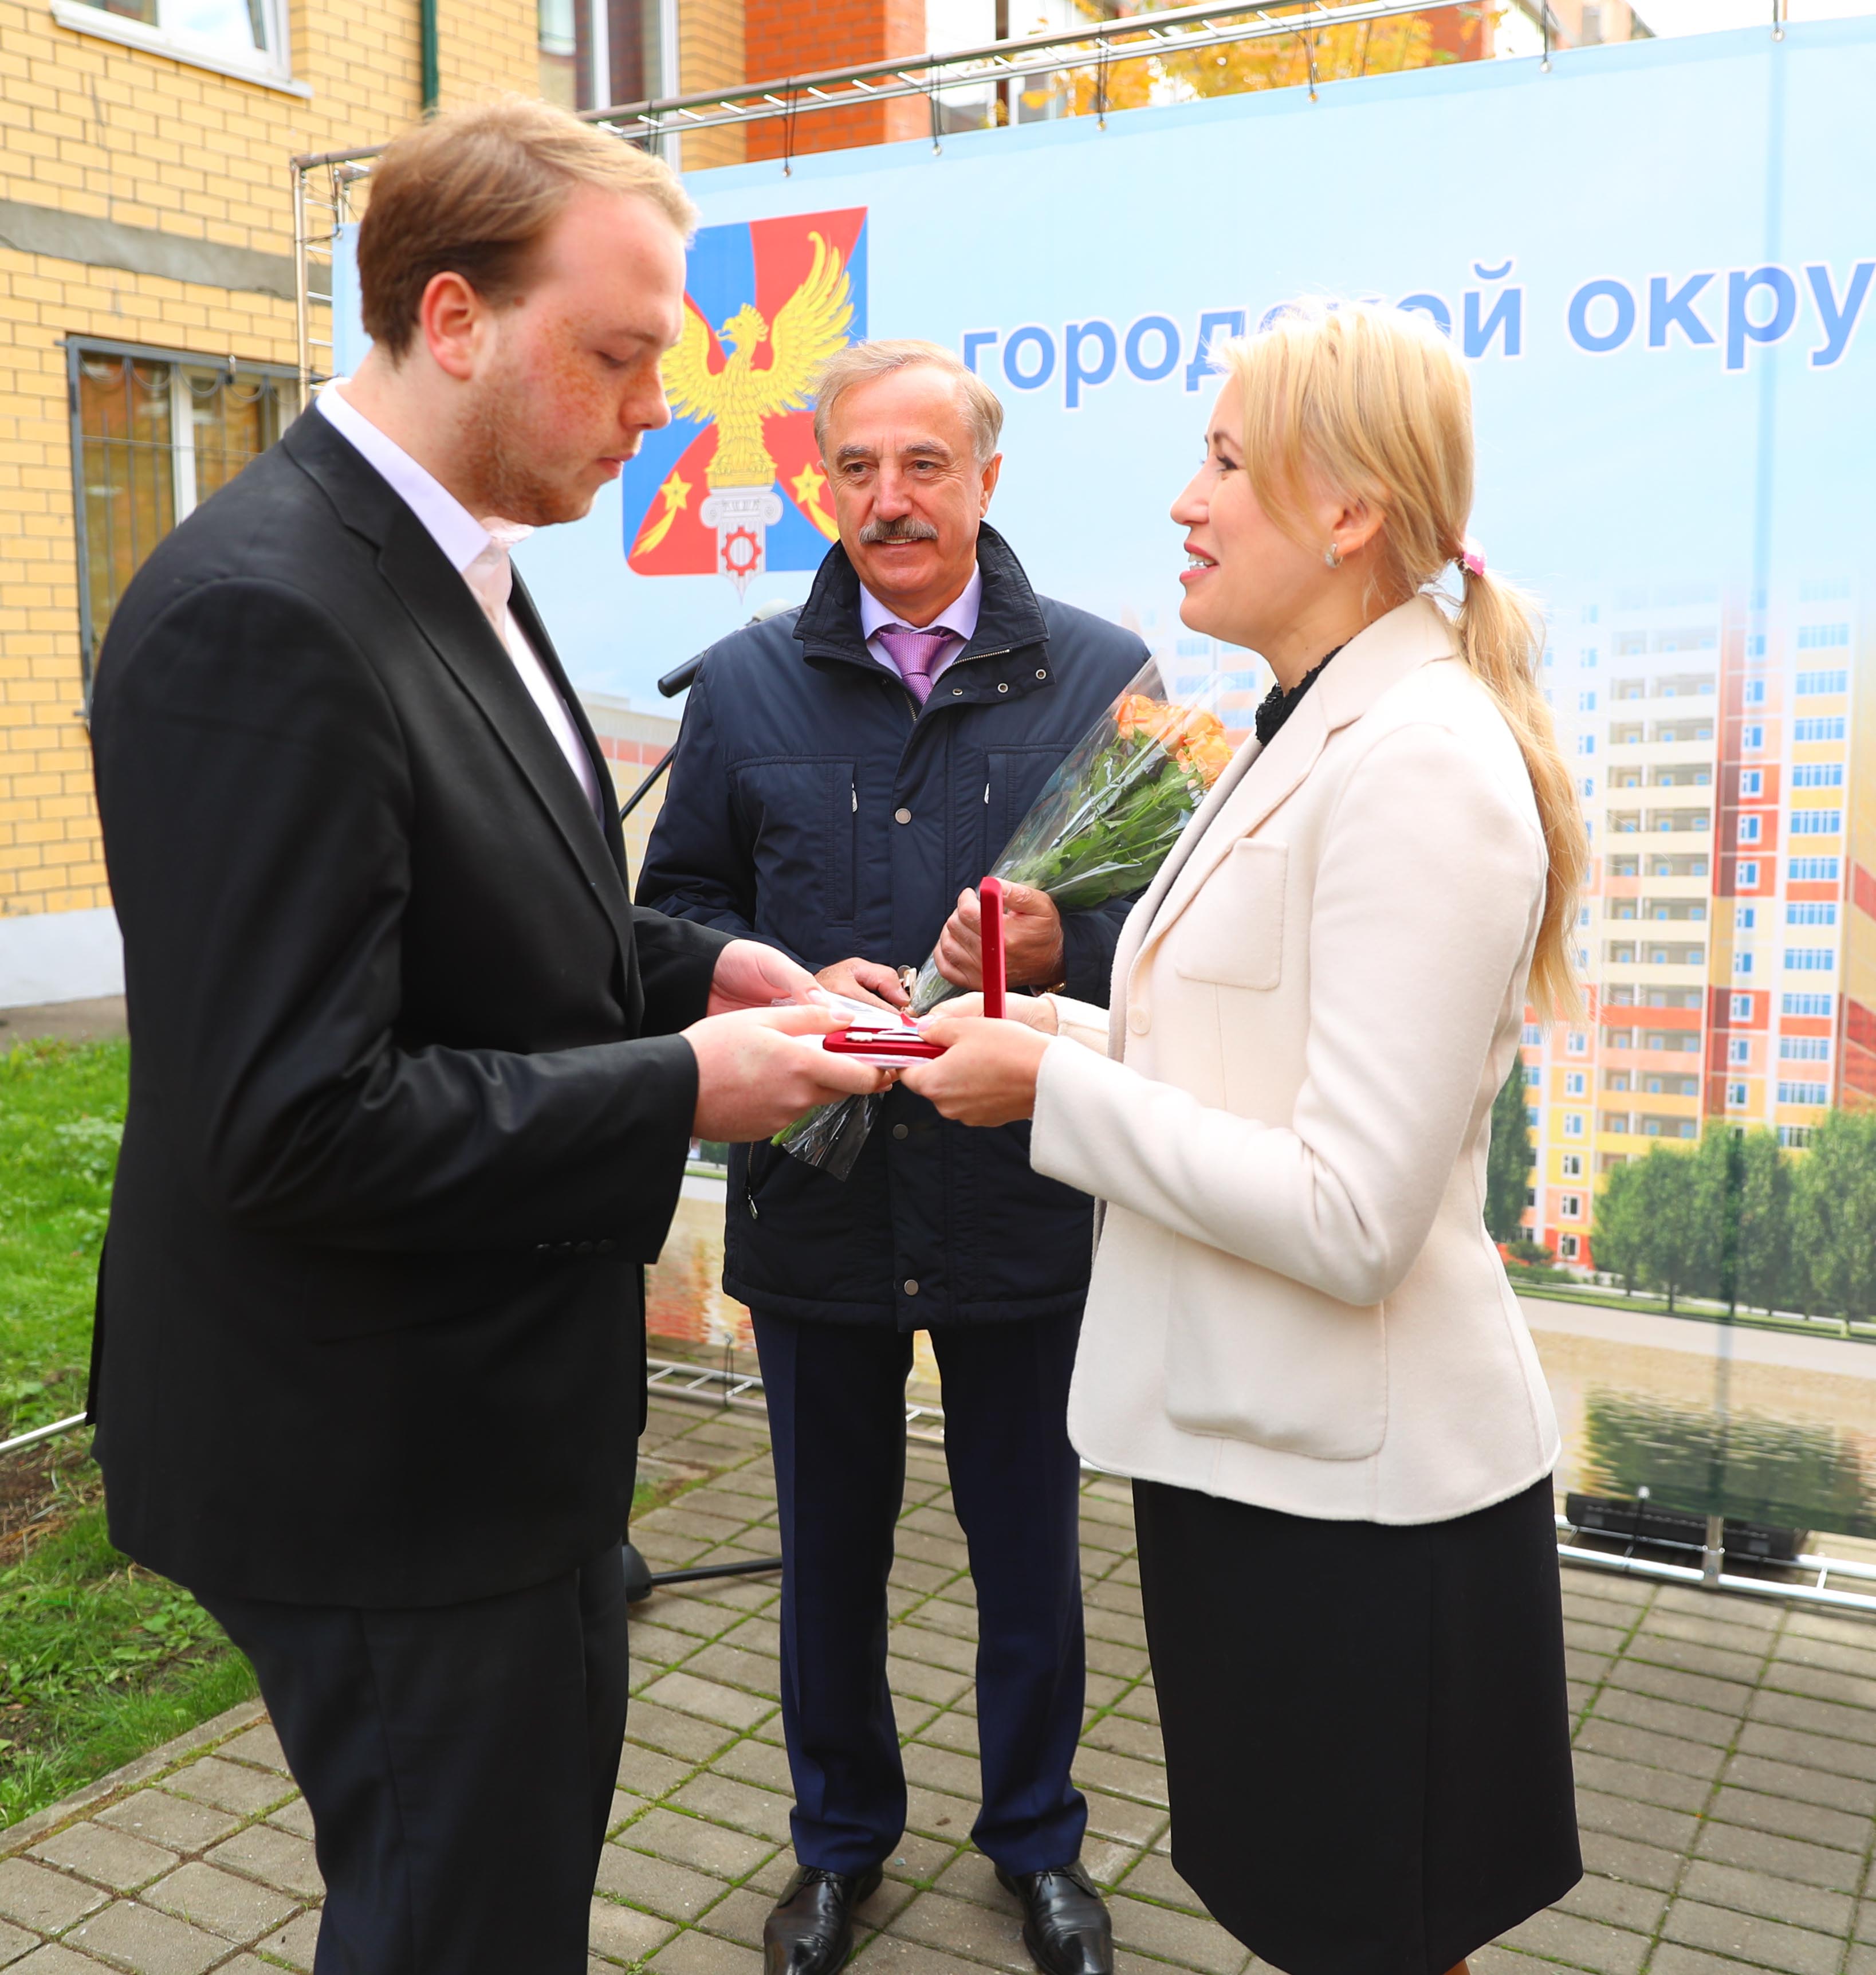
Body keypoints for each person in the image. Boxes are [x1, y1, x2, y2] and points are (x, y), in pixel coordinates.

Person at [86, 99, 885, 1975]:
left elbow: (494, 917)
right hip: (379, 1468)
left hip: (489, 1440)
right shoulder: (262, 613)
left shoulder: (459, 569)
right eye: (616, 356)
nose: (654, 409)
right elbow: (294, 1118)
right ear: (452, 320)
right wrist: (684, 1091)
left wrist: (705, 973)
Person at [904, 300, 1586, 1975]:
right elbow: (1238, 1065)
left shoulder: (1419, 761)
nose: (1183, 502)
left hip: (1364, 1515)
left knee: (1369, 1933)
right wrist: (1043, 1032)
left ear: (1348, 509)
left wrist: (1049, 1094)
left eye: (1222, 461)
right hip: (1264, 1467)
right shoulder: (1312, 721)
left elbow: (1350, 1212)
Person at [638, 340, 1147, 1975]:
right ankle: (837, 1847)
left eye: (924, 465)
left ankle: (1038, 1846)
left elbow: (1173, 939)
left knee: (1030, 1557)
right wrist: (780, 976)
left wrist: (1066, 945)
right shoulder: (743, 686)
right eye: (856, 468)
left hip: (1021, 1192)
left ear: (988, 479)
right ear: (822, 485)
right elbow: (670, 916)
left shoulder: (1103, 677)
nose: (889, 499)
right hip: (822, 1191)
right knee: (828, 1557)